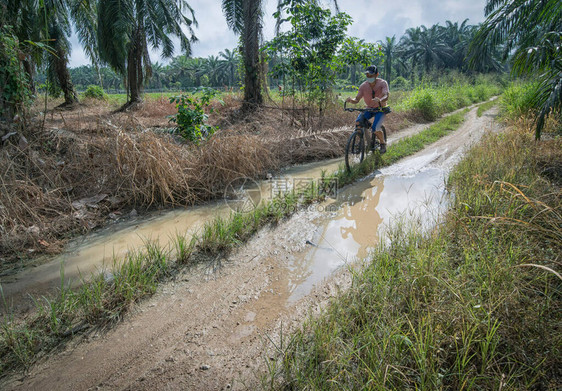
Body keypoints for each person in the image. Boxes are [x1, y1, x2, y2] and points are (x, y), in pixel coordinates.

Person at [346, 65, 389, 153]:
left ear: (377, 74)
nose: (369, 77)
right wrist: (351, 100)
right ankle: (360, 143)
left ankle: (382, 143)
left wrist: (380, 100)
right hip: (369, 109)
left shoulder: (382, 83)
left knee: (376, 128)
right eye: (367, 75)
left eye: (371, 75)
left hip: (380, 109)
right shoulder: (363, 86)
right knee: (358, 122)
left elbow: (386, 95)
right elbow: (357, 99)